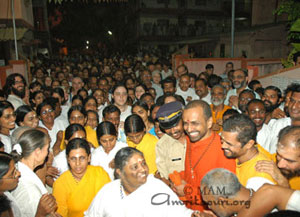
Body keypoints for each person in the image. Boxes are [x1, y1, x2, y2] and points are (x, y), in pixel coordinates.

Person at [85, 147, 201, 217]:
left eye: (144, 163)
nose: (143, 169)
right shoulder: (108, 192)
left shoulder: (156, 187)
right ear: (120, 172)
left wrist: (196, 215)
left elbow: (181, 213)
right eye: (135, 167)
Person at [173, 100, 236, 211]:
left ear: (209, 122)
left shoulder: (224, 149)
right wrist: (178, 178)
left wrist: (187, 191)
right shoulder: (190, 139)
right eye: (185, 123)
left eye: (195, 123)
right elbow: (194, 172)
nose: (189, 129)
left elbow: (224, 196)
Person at [201, 168, 300, 217]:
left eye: (209, 203)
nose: (209, 207)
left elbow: (270, 192)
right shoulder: (255, 182)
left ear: (222, 201)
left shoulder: (264, 188)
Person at [53, 138, 110, 217]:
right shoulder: (60, 183)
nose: (77, 163)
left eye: (82, 158)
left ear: (89, 158)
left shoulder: (100, 173)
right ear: (68, 159)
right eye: (73, 158)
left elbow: (110, 203)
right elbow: (60, 214)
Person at [221, 114, 276, 190]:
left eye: (229, 144)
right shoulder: (241, 153)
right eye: (222, 141)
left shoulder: (260, 177)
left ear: (249, 144)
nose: (223, 146)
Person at [11, 129, 59, 216]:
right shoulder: (29, 190)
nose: (47, 154)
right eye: (47, 149)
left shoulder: (19, 169)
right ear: (37, 152)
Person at [0, 151, 59, 217]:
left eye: (16, 169)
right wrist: (40, 214)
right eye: (13, 173)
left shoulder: (5, 194)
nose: (19, 173)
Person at [256, 126, 300, 190]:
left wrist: (282, 182)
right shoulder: (268, 158)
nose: (280, 165)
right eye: (279, 155)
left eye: (289, 161)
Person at [155, 101, 186, 180]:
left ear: (183, 119)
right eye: (168, 128)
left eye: (175, 125)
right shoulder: (162, 145)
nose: (172, 131)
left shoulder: (195, 137)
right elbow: (164, 177)